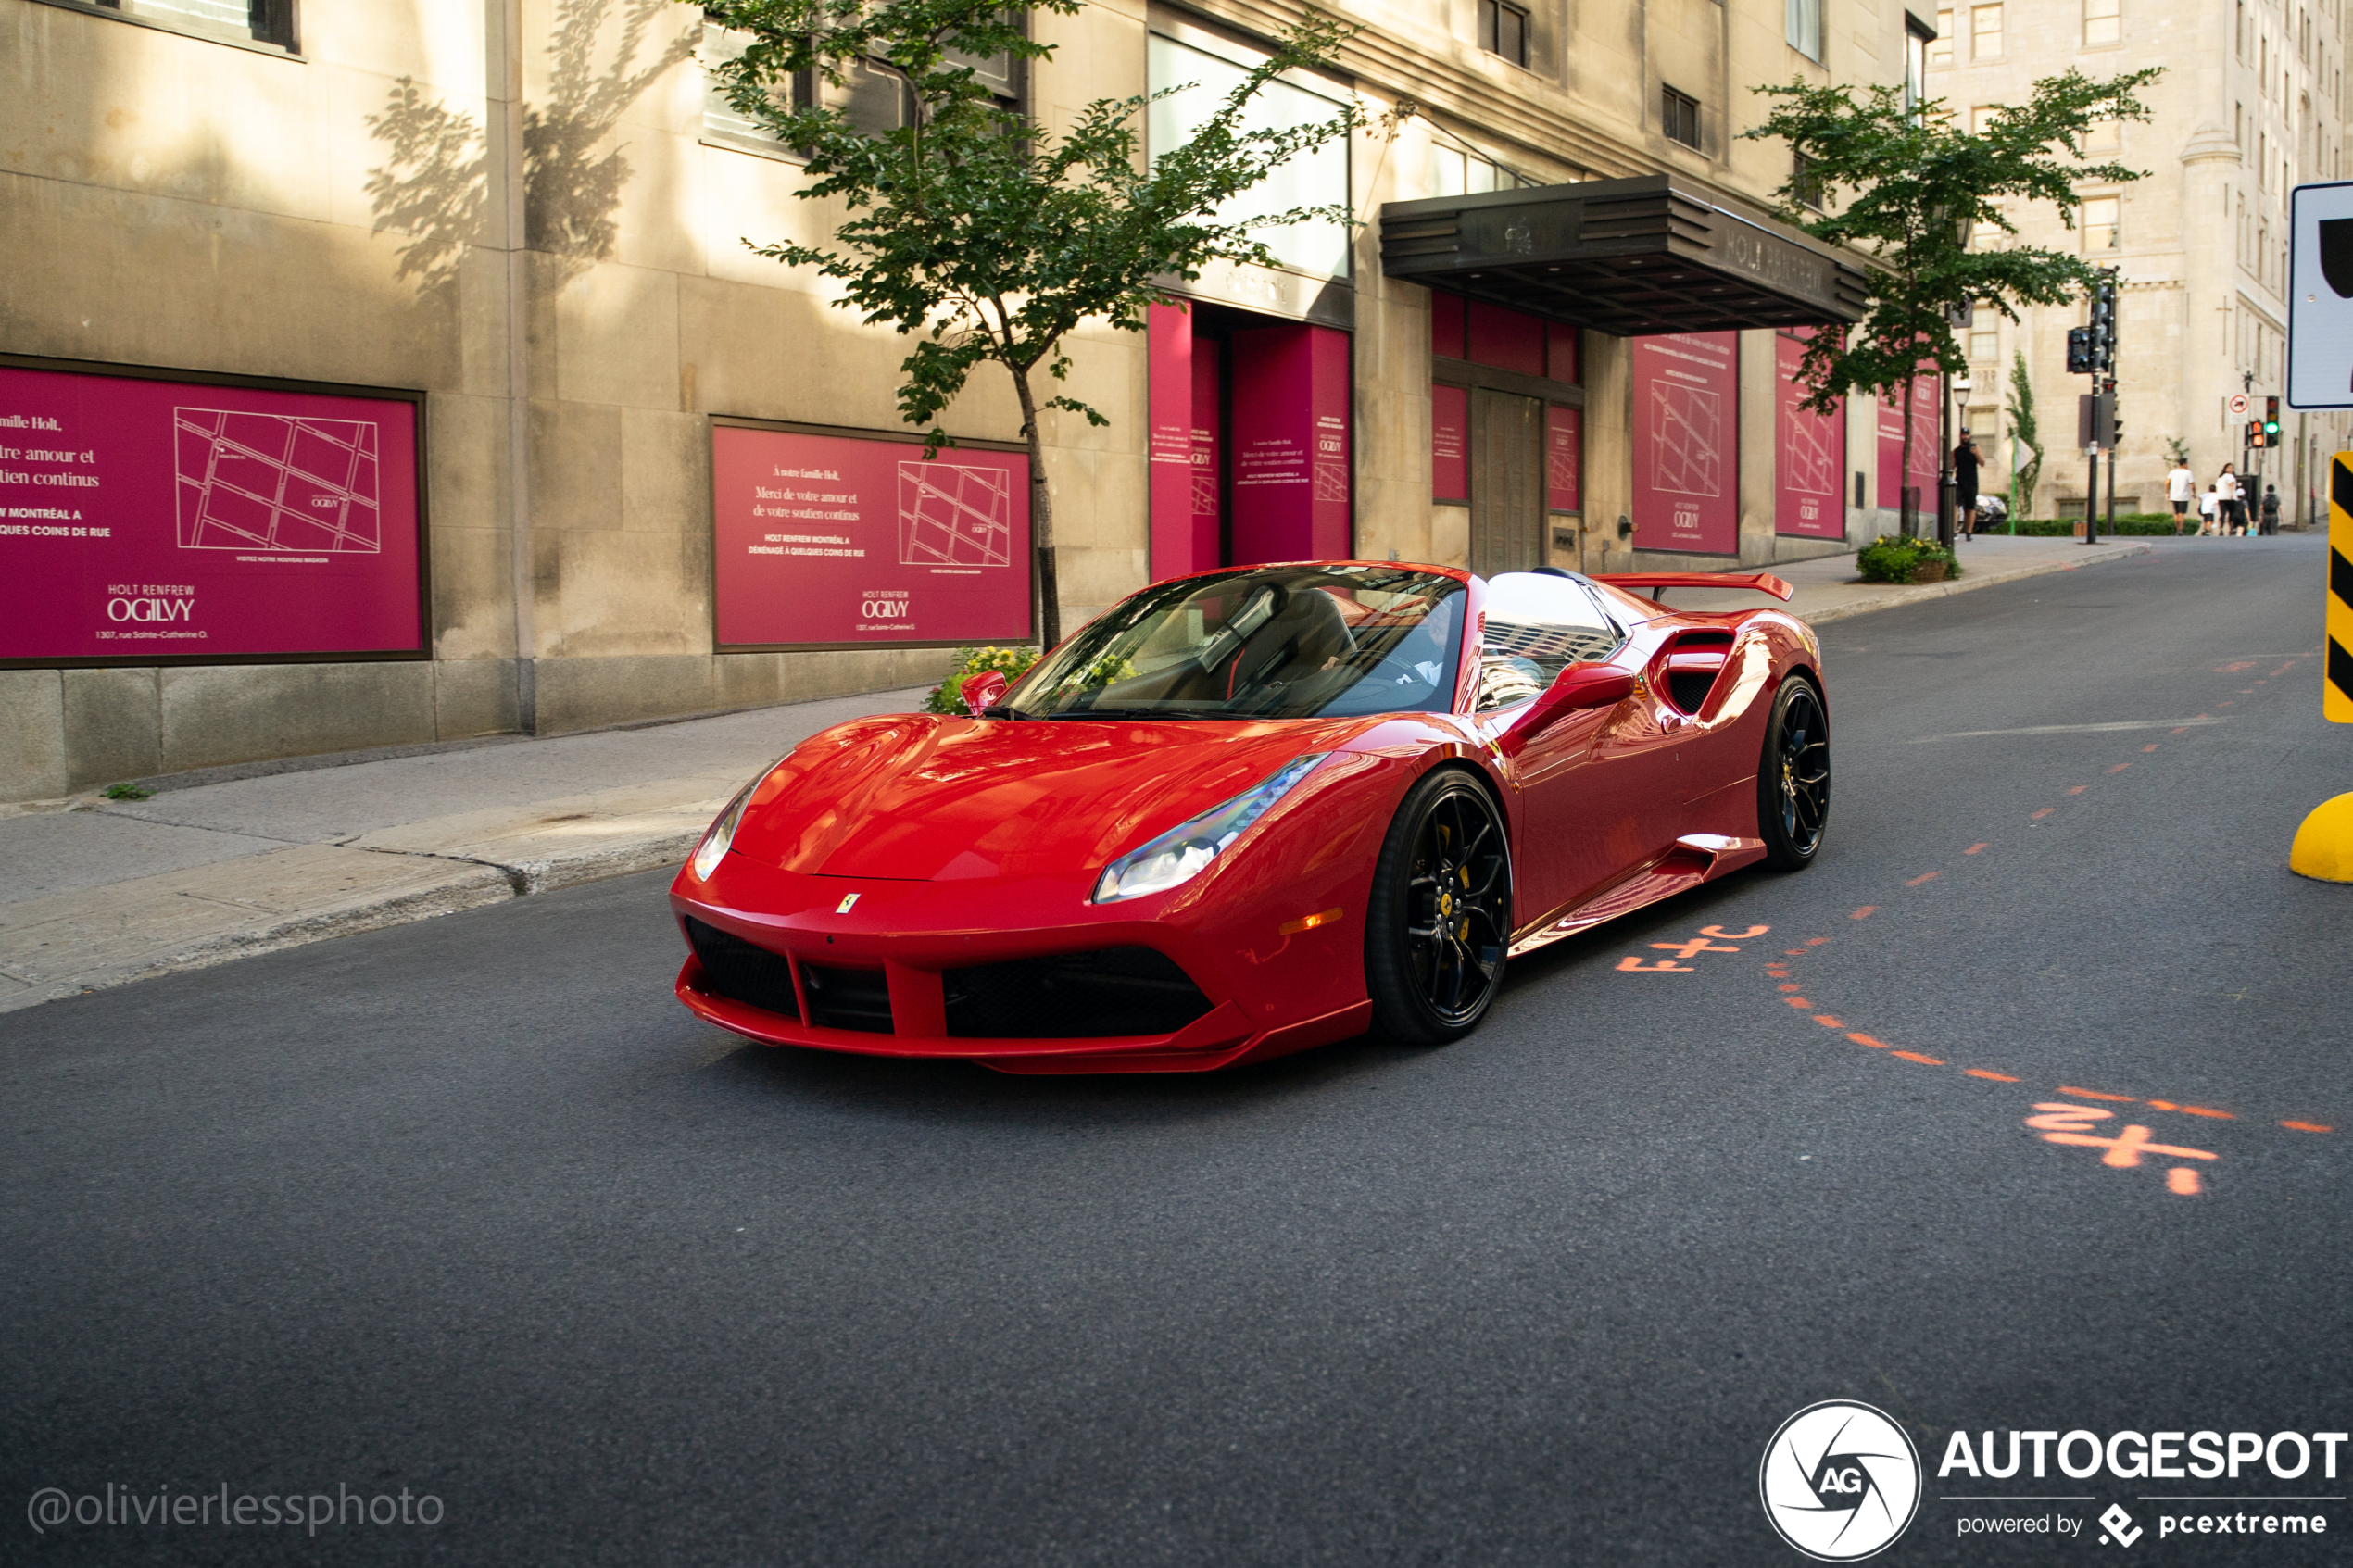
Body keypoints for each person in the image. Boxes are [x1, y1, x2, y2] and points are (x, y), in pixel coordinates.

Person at [1951, 433, 1981, 542]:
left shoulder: (1975, 448)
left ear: (1970, 436)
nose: (1965, 437)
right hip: (1959, 482)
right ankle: (1953, 531)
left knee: (1970, 508)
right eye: (1963, 435)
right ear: (1960, 437)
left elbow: (1982, 462)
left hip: (1972, 482)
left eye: (1967, 435)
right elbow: (1952, 466)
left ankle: (1969, 531)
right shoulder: (1956, 451)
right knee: (1955, 506)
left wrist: (1976, 454)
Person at [2166, 455, 2195, 533]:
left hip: (2173, 495)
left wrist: (2167, 493)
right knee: (2181, 513)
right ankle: (2180, 529)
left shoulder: (2172, 472)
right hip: (2183, 496)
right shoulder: (2188, 472)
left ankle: (2177, 528)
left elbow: (2167, 483)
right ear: (2185, 464)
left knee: (2176, 513)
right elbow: (2192, 484)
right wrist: (2194, 493)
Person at [2217, 464, 2244, 535]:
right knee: (2232, 513)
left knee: (2222, 514)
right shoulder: (2230, 476)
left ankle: (2221, 529)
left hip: (2221, 498)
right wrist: (2232, 494)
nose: (2231, 469)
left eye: (2232, 468)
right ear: (2225, 468)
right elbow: (2231, 484)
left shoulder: (2220, 478)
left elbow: (2217, 487)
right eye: (2229, 468)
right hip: (2230, 498)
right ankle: (2231, 528)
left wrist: (2217, 496)